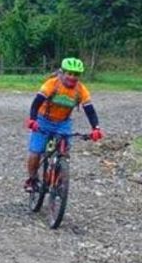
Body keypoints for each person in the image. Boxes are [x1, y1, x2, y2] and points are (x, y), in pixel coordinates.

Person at [23, 57, 104, 192]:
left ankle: (60, 176)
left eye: (76, 74)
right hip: (43, 120)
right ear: (62, 73)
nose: (72, 77)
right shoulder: (52, 84)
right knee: (35, 152)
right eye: (69, 73)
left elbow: (89, 110)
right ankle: (32, 179)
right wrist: (32, 120)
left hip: (63, 123)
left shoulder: (80, 89)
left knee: (64, 152)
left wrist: (96, 128)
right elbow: (36, 103)